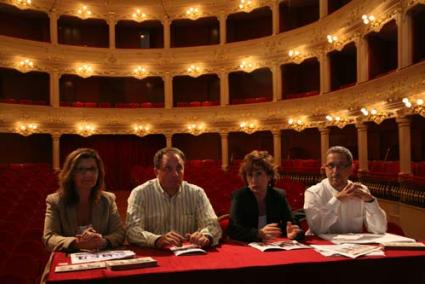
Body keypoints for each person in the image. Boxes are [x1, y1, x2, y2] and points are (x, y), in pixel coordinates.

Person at [126, 147, 221, 249]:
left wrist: (205, 236)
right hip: (155, 254)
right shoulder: (140, 194)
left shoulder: (197, 193)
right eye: (168, 169)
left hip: (189, 255)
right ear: (156, 172)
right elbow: (132, 230)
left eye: (179, 168)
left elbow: (213, 226)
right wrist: (157, 239)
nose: (175, 174)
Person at [42, 148, 125, 252]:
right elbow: (49, 237)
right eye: (81, 169)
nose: (88, 174)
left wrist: (102, 241)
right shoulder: (55, 201)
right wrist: (77, 243)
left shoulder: (108, 199)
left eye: (93, 169)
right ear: (71, 174)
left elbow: (119, 233)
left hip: (100, 257)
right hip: (68, 258)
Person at [304, 146, 387, 235]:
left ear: (351, 168)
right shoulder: (313, 192)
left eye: (341, 166)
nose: (335, 171)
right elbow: (317, 229)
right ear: (325, 168)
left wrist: (370, 201)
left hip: (353, 246)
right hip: (322, 246)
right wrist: (336, 200)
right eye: (331, 166)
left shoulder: (361, 190)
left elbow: (380, 229)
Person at [227, 150, 304, 242]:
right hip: (247, 247)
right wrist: (258, 233)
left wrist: (294, 233)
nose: (253, 180)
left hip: (273, 246)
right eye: (250, 175)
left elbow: (291, 223)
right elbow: (233, 230)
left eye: (258, 174)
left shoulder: (279, 196)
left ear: (269, 176)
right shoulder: (239, 196)